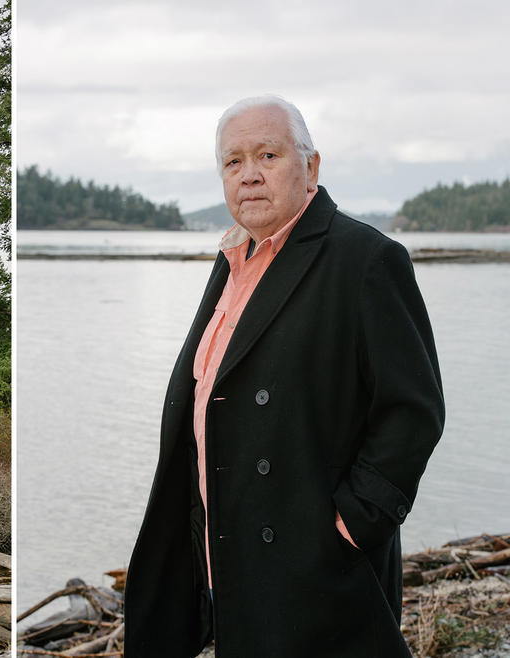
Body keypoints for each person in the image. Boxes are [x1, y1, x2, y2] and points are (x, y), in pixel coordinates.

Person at [123, 96, 444, 657]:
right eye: (233, 162)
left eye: (267, 155)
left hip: (318, 566)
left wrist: (350, 526)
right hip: (230, 555)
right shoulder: (232, 261)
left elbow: (413, 410)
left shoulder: (366, 259)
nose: (249, 175)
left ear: (311, 166)